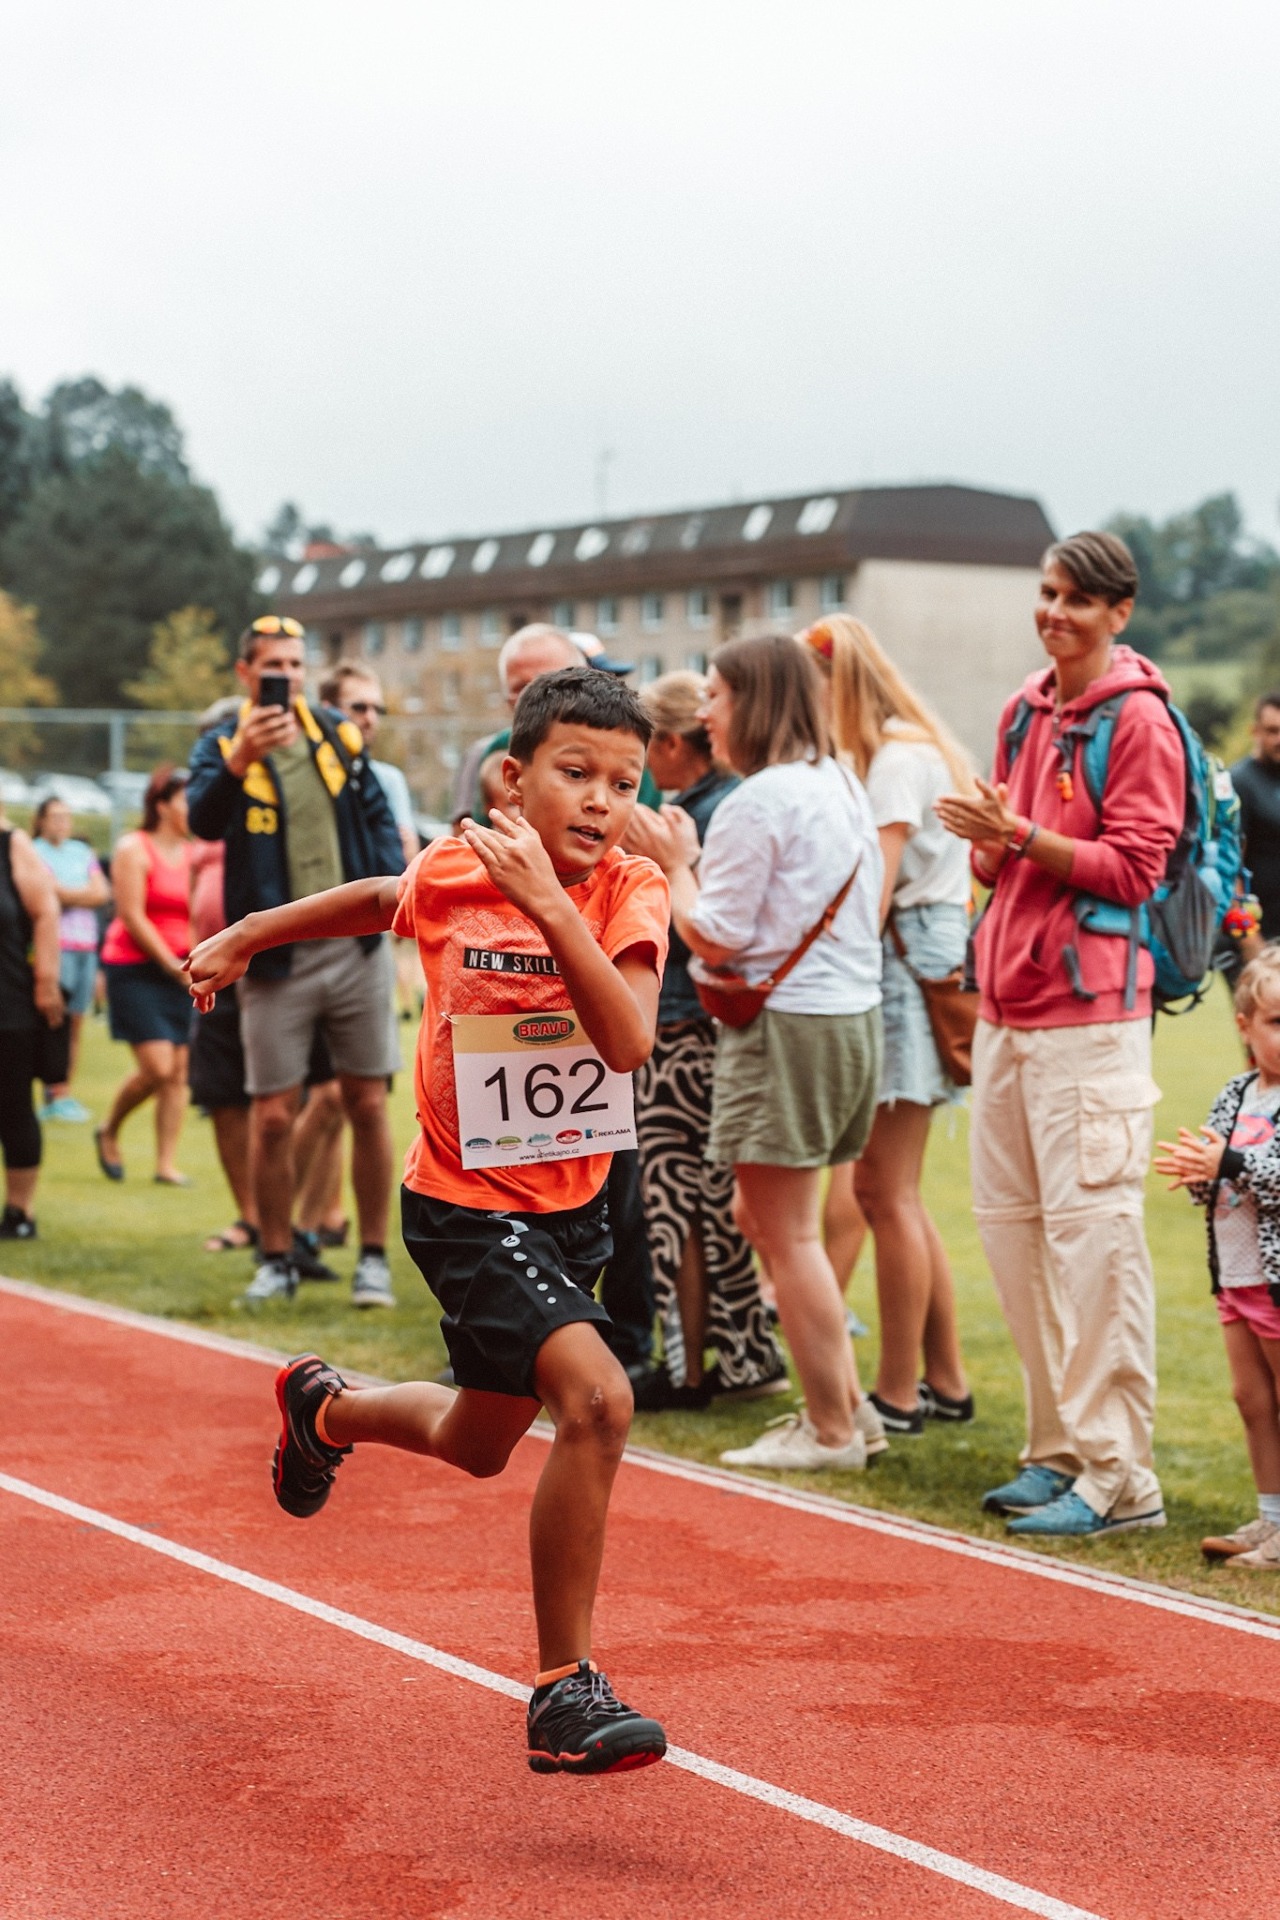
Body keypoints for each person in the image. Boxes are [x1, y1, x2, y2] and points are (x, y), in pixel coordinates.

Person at [187, 665, 670, 1775]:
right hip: (464, 1205)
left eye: (623, 783)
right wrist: (250, 931)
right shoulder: (458, 867)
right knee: (598, 1401)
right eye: (576, 773)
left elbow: (627, 1042)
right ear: (514, 778)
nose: (601, 800)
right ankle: (562, 1689)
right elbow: (378, 898)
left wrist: (551, 906)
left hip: (573, 1210)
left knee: (477, 1444)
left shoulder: (630, 890)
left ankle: (325, 1411)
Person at [935, 530, 1184, 1538]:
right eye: (1047, 593)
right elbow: (1002, 866)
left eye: (1077, 599)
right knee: (1014, 1236)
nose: (1054, 612)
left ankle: (1121, 1479)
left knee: (1095, 1246)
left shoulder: (1140, 720)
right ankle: (1058, 1451)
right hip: (1006, 1005)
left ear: (1118, 613)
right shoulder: (1020, 709)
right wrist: (989, 841)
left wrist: (1020, 837)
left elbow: (1137, 869)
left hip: (1091, 1019)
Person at [641, 634, 886, 1472]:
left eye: (716, 695)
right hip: (847, 1020)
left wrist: (676, 864)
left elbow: (715, 934)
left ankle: (830, 1430)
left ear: (755, 701)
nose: (705, 713)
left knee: (787, 1235)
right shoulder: (839, 780)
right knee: (764, 1220)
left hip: (787, 1027)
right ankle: (850, 1410)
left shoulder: (759, 799)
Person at [187, 616, 405, 1308]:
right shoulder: (223, 742)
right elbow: (201, 820)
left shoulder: (337, 733)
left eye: (297, 664)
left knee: (367, 1102)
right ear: (245, 673)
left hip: (356, 947)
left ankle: (373, 1258)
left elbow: (377, 817)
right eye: (274, 665)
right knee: (274, 1113)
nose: (287, 676)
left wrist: (390, 891)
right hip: (274, 954)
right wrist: (238, 762)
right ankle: (275, 1257)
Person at [799, 616, 973, 1435]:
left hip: (905, 965)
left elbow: (872, 896)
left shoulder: (897, 761)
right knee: (894, 1192)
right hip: (918, 957)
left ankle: (899, 1392)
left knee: (882, 1191)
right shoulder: (906, 751)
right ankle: (946, 1378)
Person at [625, 671, 786, 1405]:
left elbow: (696, 928)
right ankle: (741, 1361)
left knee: (675, 1202)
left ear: (667, 743)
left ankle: (690, 1369)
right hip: (716, 1027)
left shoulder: (687, 819)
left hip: (682, 1026)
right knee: (718, 1205)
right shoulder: (728, 804)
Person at [1156, 947, 1280, 1570]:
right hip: (1235, 1275)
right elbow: (1218, 1175)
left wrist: (1228, 1164)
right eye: (1277, 1022)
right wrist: (1199, 1176)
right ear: (1245, 1026)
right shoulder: (1236, 1094)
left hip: (1275, 1281)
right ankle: (1271, 1517)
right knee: (1251, 1400)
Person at [95, 766, 194, 1185]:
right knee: (157, 1066)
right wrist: (170, 965)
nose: (195, 806)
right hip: (135, 968)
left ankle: (165, 1164)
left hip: (184, 971)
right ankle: (109, 1129)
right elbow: (132, 916)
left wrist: (194, 962)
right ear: (163, 805)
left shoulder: (193, 853)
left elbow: (197, 914)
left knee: (179, 1072)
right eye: (187, 798)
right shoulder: (132, 848)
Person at [0, 804, 64, 1237]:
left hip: (9, 1001)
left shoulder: (11, 845)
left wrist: (46, 981)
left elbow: (46, 910)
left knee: (13, 1105)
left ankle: (20, 1212)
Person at [31, 795, 109, 1123]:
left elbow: (101, 893)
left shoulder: (82, 852)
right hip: (54, 946)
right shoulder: (32, 851)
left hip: (85, 946)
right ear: (41, 821)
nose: (62, 822)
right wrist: (80, 894)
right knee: (53, 1020)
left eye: (66, 816)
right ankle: (50, 1092)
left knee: (76, 1021)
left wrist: (68, 895)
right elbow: (48, 894)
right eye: (55, 816)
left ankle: (64, 1092)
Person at [1232, 694, 1280, 943]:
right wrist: (1250, 941)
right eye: (1273, 731)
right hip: (1262, 937)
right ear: (1255, 731)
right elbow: (1230, 869)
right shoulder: (1240, 782)